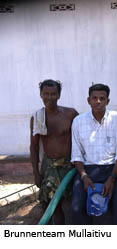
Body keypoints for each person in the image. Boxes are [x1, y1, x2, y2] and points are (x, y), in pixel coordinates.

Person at [70, 83, 117, 225]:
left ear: (108, 101)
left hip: (113, 169)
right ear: (88, 100)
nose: (98, 101)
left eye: (102, 98)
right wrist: (84, 176)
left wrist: (112, 178)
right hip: (88, 170)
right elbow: (76, 154)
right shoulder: (78, 122)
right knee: (76, 208)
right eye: (94, 98)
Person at [30, 79, 78, 224]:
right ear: (40, 95)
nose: (49, 97)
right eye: (46, 94)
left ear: (59, 95)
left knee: (69, 206)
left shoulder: (70, 114)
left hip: (69, 167)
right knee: (53, 208)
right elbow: (34, 147)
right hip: (49, 168)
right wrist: (36, 173)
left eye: (53, 94)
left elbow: (81, 139)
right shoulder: (38, 118)